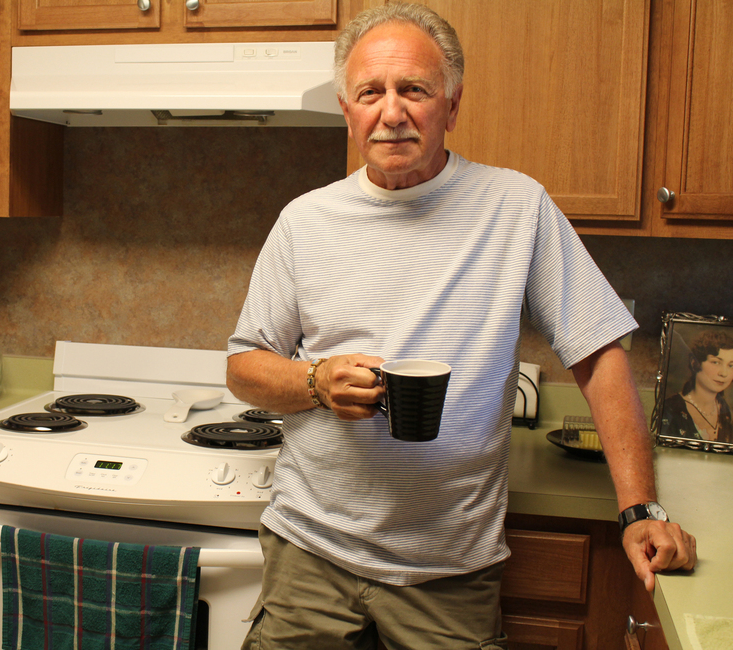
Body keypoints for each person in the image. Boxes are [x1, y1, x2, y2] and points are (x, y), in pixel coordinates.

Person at [226, 4, 697, 649]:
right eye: (371, 92)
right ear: (348, 108)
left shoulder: (516, 207)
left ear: (452, 104)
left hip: (447, 571)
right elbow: (245, 366)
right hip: (310, 557)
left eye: (413, 89)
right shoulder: (303, 222)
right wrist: (314, 380)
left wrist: (639, 509)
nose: (391, 112)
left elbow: (598, 352)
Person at [661, 330, 733, 443]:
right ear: (695, 363)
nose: (724, 373)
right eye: (716, 362)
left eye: (731, 365)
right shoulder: (670, 409)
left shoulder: (724, 408)